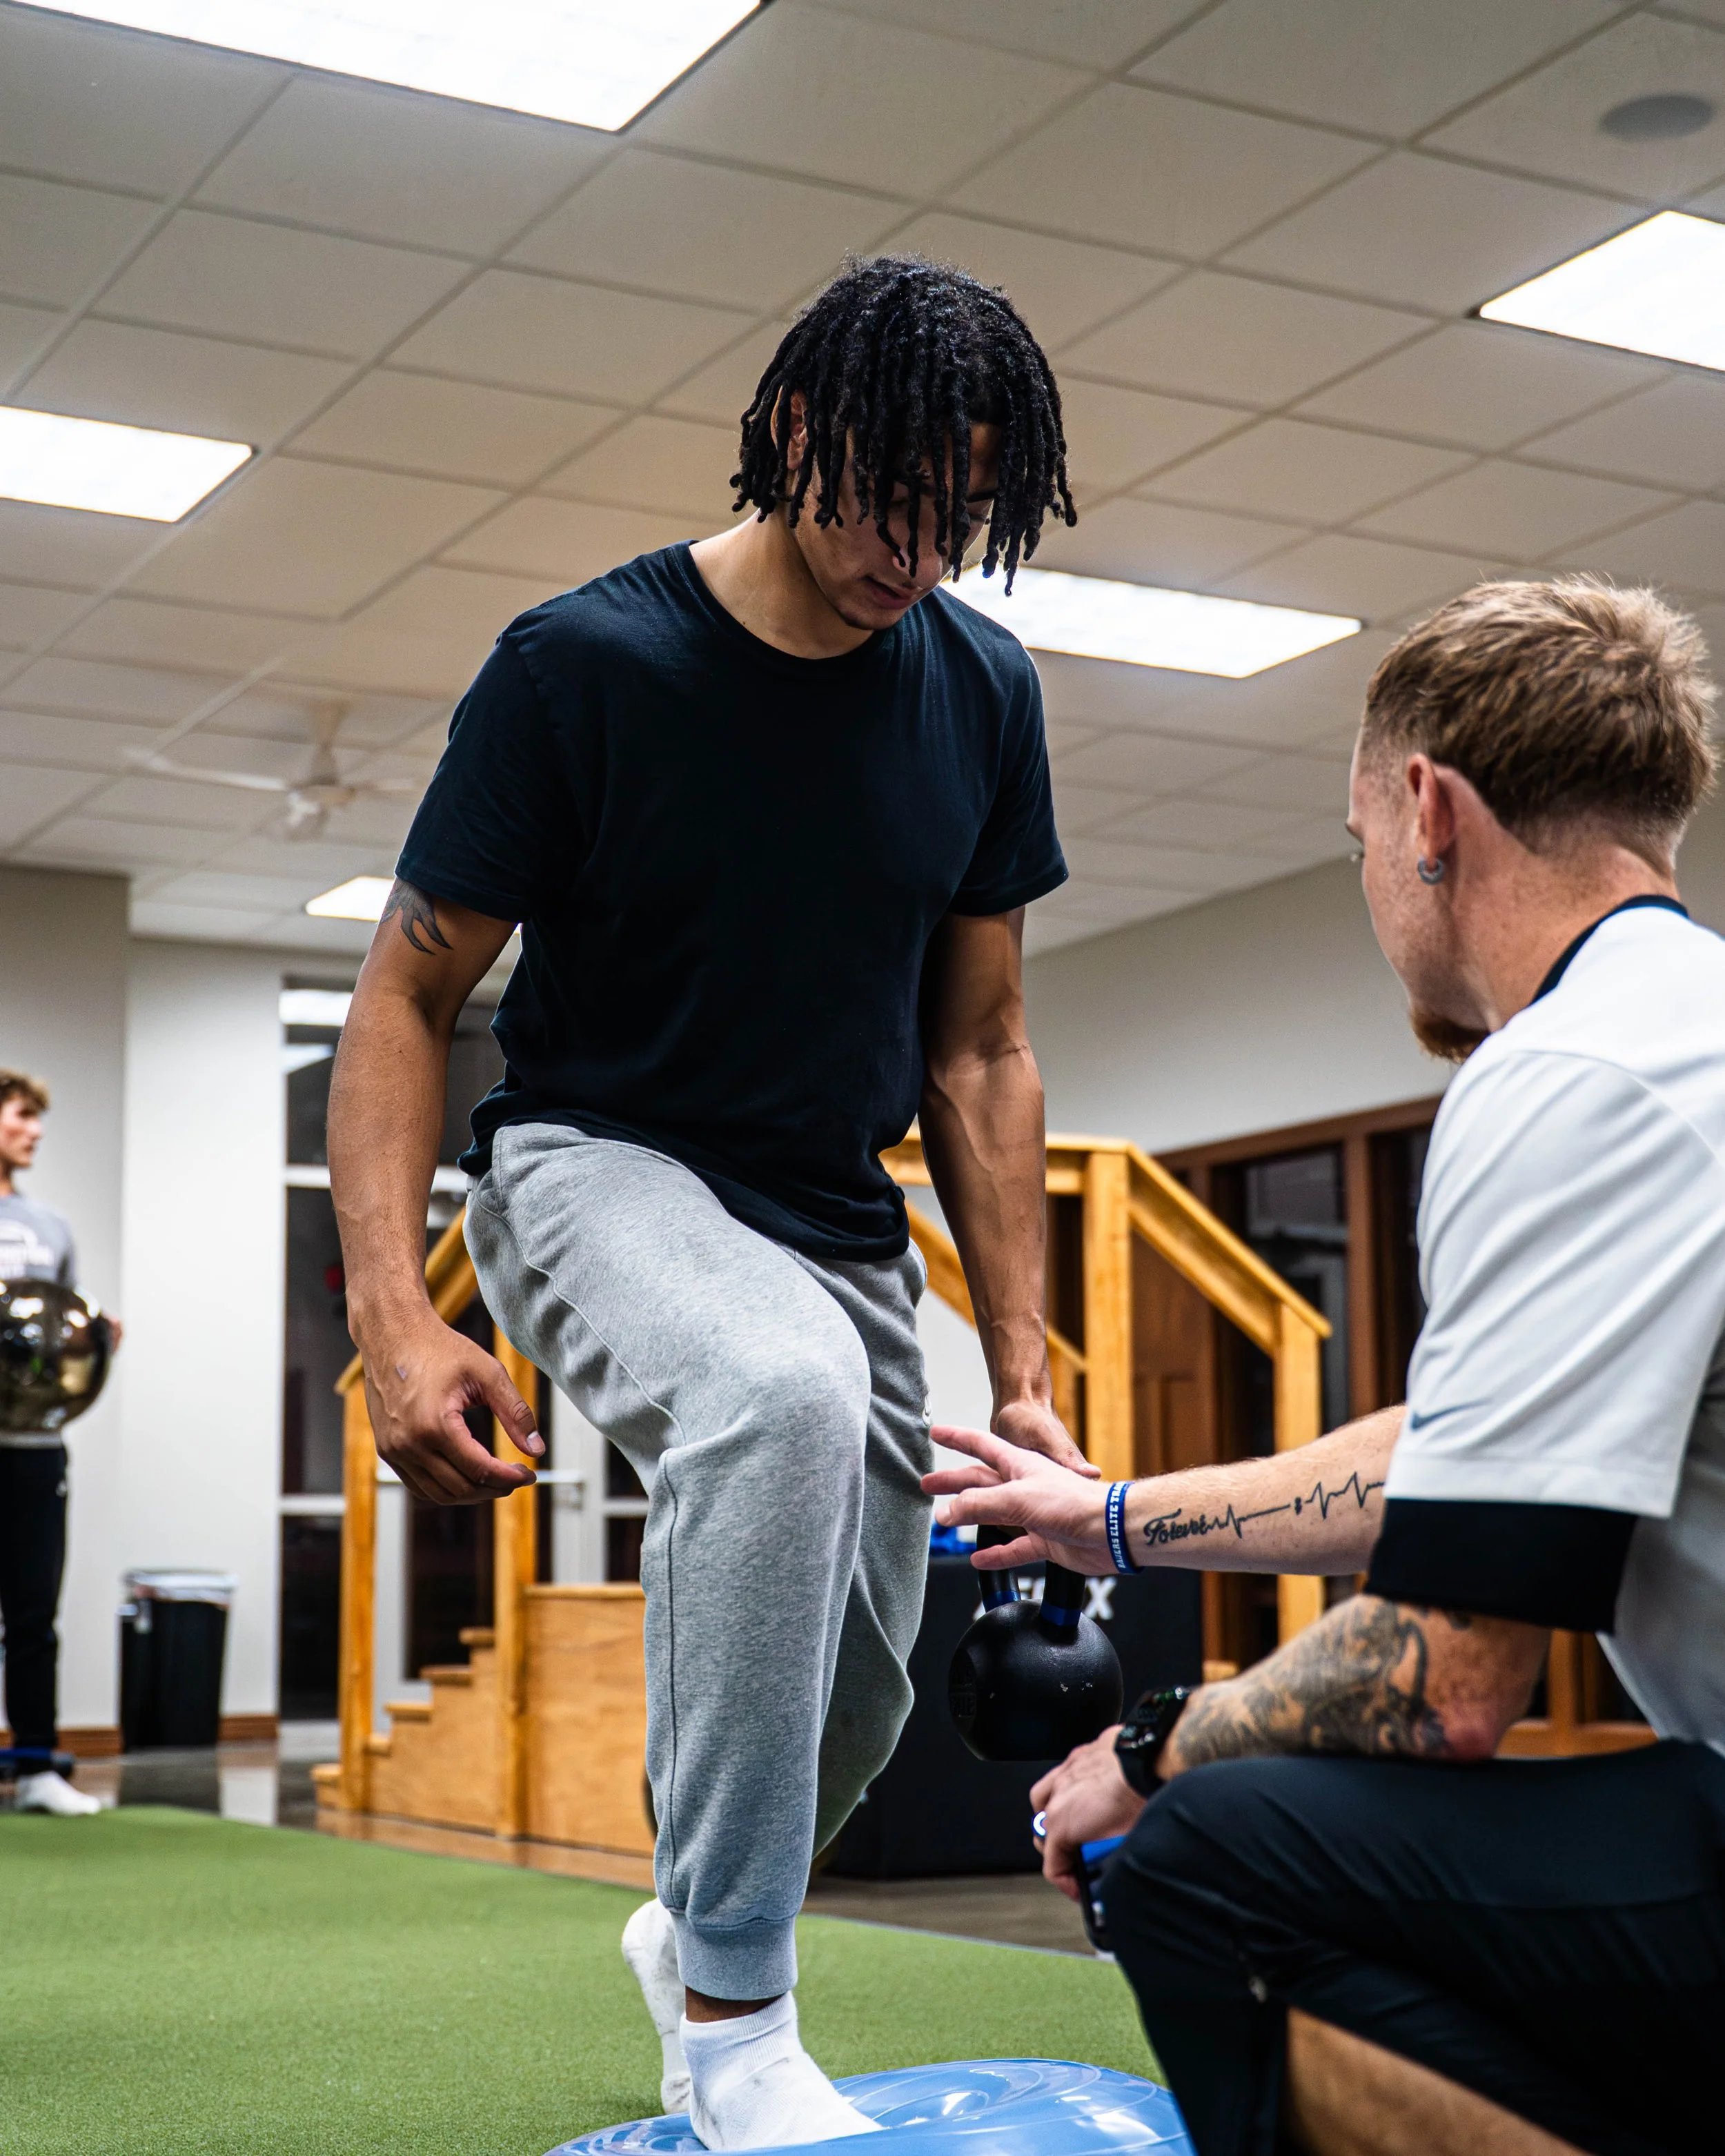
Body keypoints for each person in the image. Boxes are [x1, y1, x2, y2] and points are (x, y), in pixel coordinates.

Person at [328, 256, 1087, 2150]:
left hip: (832, 1209)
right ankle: (741, 2017)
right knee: (776, 1399)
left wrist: (1020, 1360)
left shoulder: (980, 692)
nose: (918, 558)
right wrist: (393, 1315)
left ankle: (689, 1926)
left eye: (962, 524)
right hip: (594, 1157)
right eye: (894, 503)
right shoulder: (584, 664)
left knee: (873, 1661)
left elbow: (980, 1050)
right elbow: (406, 990)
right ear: (798, 430)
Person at [927, 577, 1725, 2156]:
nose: (1373, 882)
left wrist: (1149, 1748)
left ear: (1428, 810)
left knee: (1200, 1850)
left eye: (1359, 842)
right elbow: (1462, 1447)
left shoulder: (1565, 1073)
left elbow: (1447, 1685)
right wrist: (1118, 1513)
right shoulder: (1682, 1029)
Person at [0, 1070, 117, 1818]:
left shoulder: (52, 1227)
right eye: (21, 1116)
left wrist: (101, 1337)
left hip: (33, 1443)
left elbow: (63, 1338)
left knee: (34, 1608)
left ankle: (38, 1766)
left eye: (38, 1119)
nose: (35, 1130)